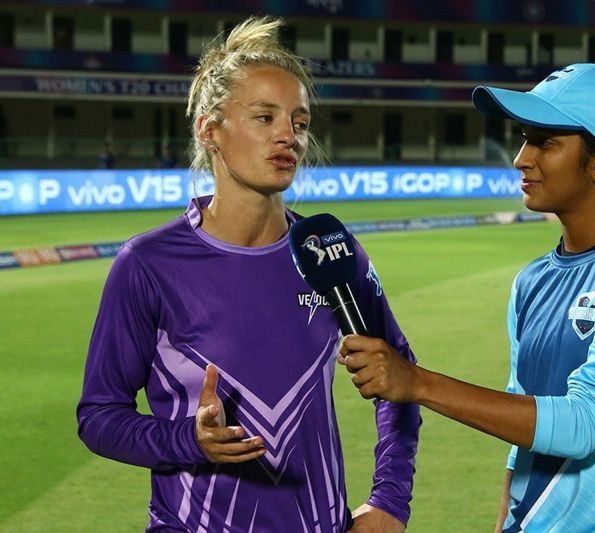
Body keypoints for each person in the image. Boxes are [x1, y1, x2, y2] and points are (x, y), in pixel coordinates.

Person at [77, 16, 420, 532]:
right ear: (209, 130)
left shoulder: (328, 250)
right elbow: (99, 416)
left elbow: (401, 375)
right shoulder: (149, 264)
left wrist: (391, 499)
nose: (289, 136)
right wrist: (187, 441)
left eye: (300, 122)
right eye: (264, 117)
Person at [338, 64, 595, 532]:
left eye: (545, 142)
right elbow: (525, 440)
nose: (520, 158)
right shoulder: (531, 281)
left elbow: (586, 423)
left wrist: (416, 383)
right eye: (525, 138)